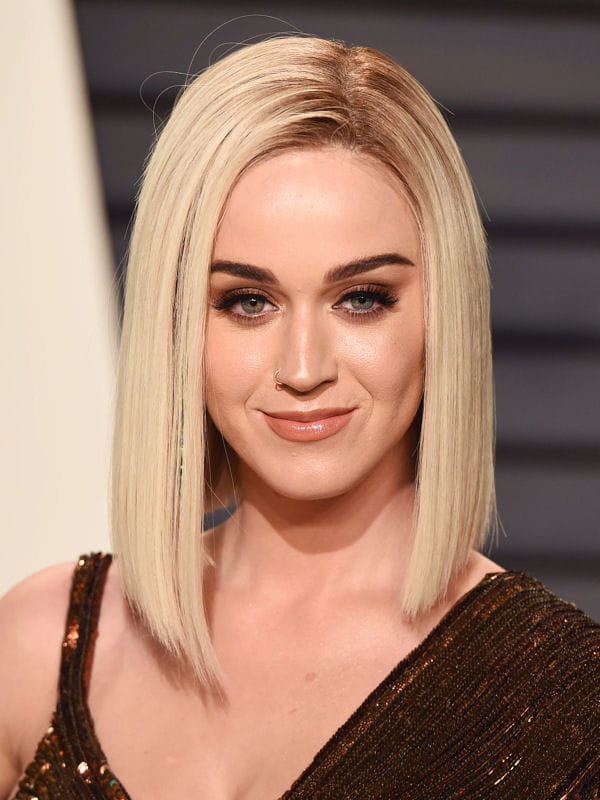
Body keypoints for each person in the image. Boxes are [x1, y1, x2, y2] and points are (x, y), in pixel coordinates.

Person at [1, 35, 598, 800]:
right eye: (248, 302)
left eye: (362, 299)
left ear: (441, 314)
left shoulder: (568, 707)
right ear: (177, 322)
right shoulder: (39, 649)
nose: (305, 367)